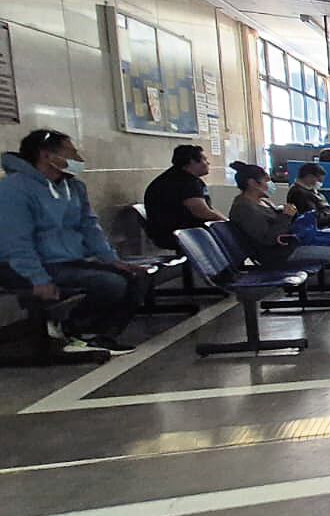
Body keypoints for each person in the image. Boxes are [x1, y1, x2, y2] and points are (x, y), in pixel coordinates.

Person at [0, 130, 145, 354]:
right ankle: (73, 333)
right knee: (109, 284)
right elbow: (15, 241)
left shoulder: (74, 187)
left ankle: (94, 335)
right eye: (71, 152)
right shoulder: (14, 188)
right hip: (21, 266)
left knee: (137, 277)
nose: (78, 158)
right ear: (47, 156)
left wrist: (111, 259)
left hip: (66, 261)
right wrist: (38, 278)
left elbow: (90, 226)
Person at [226, 162, 330, 316]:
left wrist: (289, 217)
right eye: (266, 180)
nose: (270, 184)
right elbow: (267, 238)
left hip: (292, 245)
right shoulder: (244, 208)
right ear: (252, 183)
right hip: (280, 254)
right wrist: (286, 216)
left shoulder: (262, 202)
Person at [143, 144, 226, 250]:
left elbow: (206, 209)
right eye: (204, 160)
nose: (208, 163)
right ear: (192, 162)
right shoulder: (184, 182)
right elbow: (202, 211)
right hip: (179, 233)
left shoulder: (176, 177)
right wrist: (227, 223)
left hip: (170, 231)